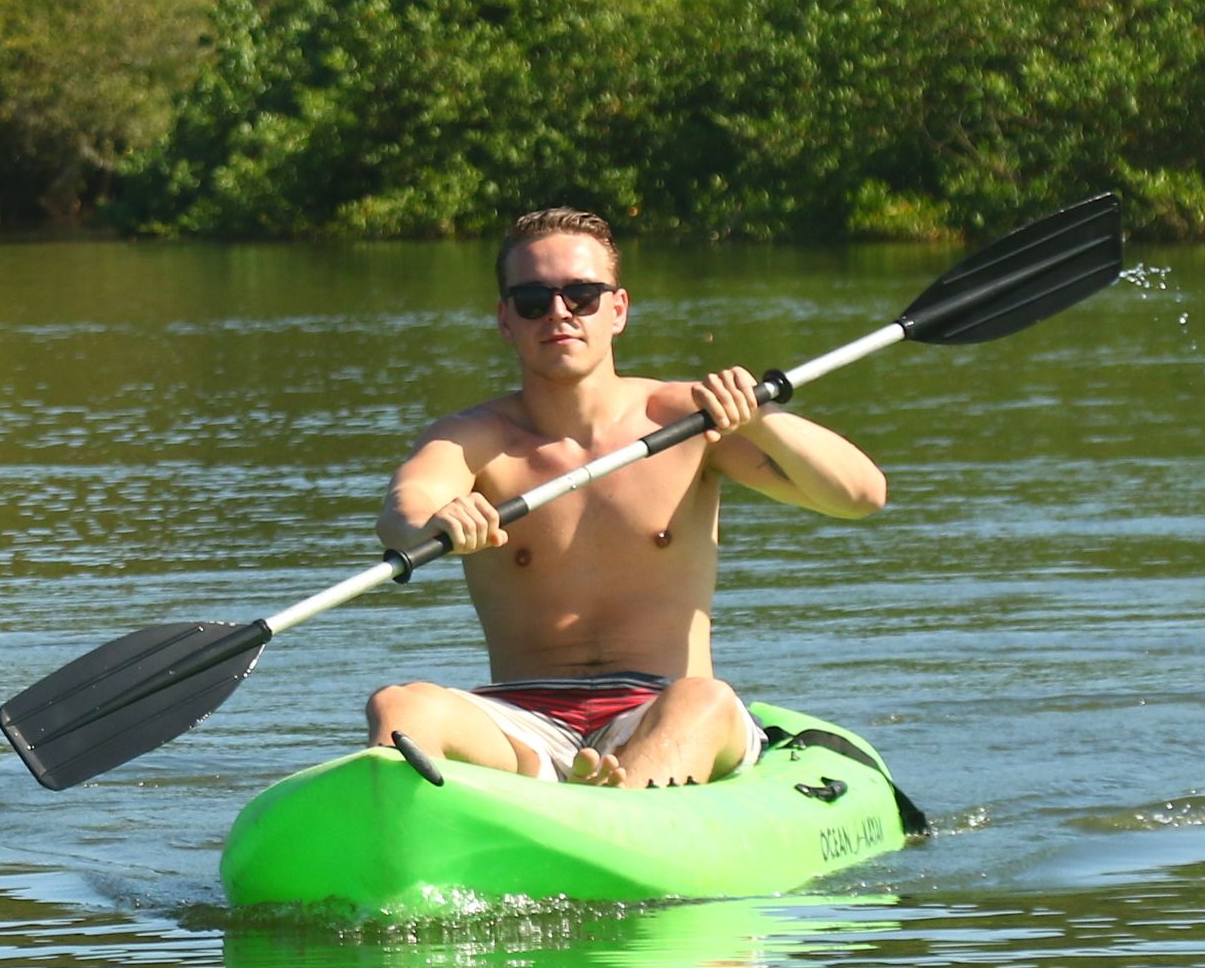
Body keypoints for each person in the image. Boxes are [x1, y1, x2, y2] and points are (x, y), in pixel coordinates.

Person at [367, 208, 888, 789]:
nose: (559, 312)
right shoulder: (473, 437)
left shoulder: (688, 419)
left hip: (663, 707)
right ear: (505, 319)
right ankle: (558, 794)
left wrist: (760, 419)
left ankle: (620, 799)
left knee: (706, 700)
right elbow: (405, 510)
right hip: (523, 720)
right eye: (533, 300)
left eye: (582, 295)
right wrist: (437, 522)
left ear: (617, 310)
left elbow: (860, 495)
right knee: (399, 706)